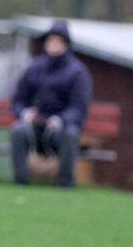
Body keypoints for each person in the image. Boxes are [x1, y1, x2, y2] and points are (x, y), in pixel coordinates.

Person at [10, 20, 93, 188]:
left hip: (61, 128)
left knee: (71, 134)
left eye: (58, 41)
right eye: (51, 40)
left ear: (66, 45)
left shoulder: (77, 72)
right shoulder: (34, 67)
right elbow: (18, 100)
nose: (54, 44)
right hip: (36, 126)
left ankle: (65, 184)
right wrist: (26, 114)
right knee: (18, 131)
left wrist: (60, 120)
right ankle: (21, 182)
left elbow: (79, 108)